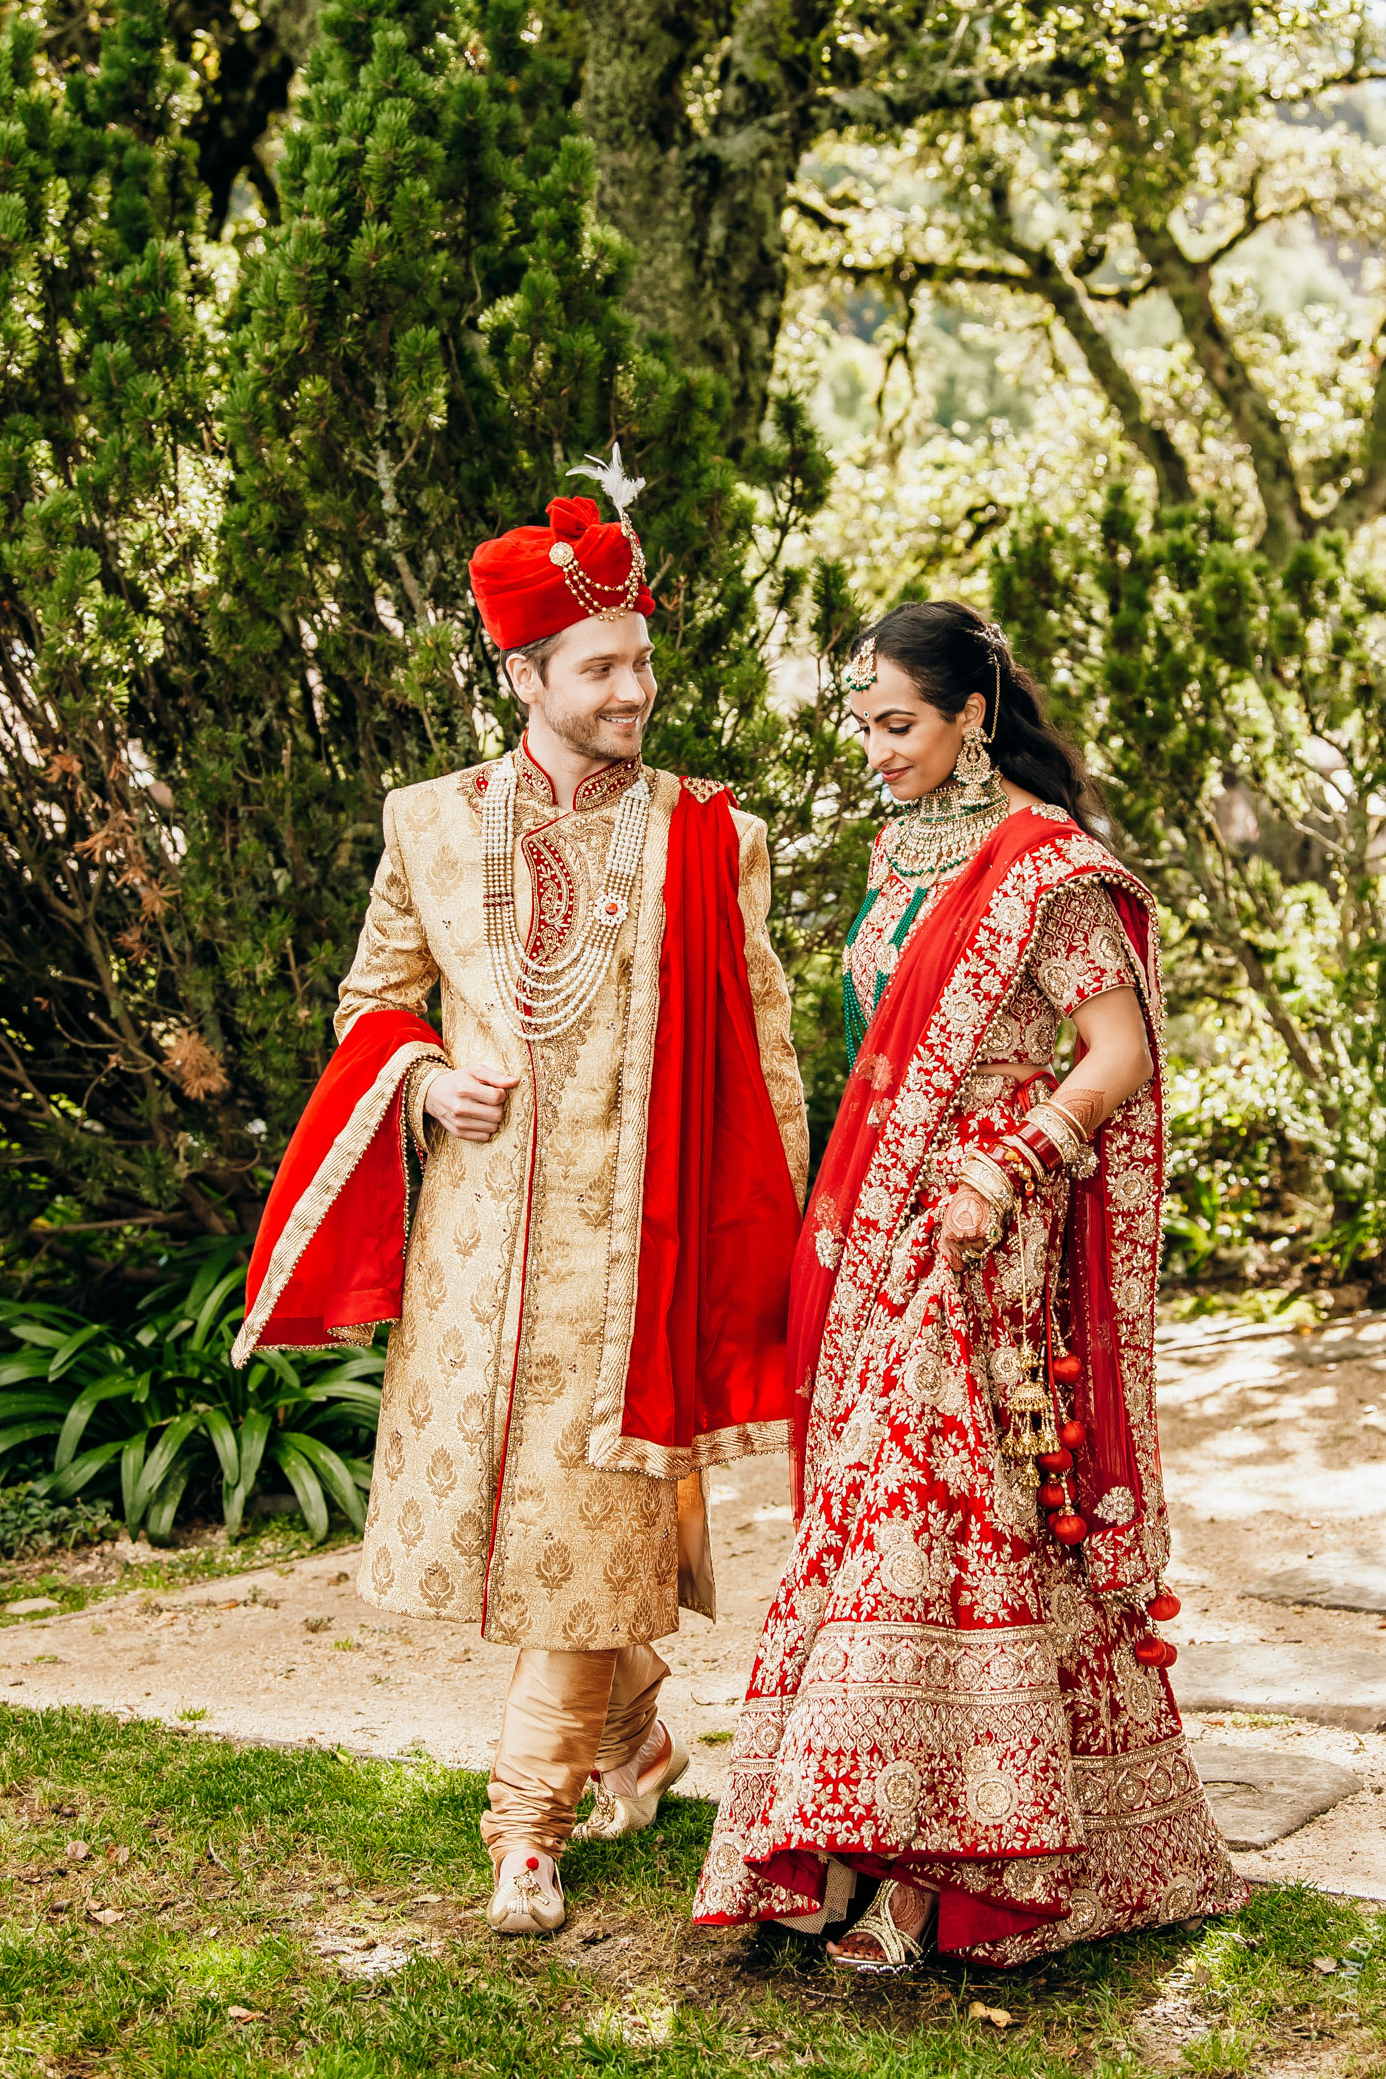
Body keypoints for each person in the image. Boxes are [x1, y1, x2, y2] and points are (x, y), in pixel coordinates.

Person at [233, 463, 809, 1937]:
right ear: (526, 671)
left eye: (645, 664)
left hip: (640, 1262)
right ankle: (641, 1743)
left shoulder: (708, 837)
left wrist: (784, 1255)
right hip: (482, 1263)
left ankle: (525, 1829)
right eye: (604, 669)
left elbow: (767, 1053)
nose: (637, 692)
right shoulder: (430, 827)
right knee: (540, 1545)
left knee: (583, 1533)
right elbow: (375, 1001)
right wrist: (425, 1082)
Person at [693, 600, 1244, 1970]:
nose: (875, 751)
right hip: (887, 1227)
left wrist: (1005, 1177)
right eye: (864, 726)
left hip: (994, 1235)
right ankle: (852, 1838)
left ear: (970, 718)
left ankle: (935, 1869)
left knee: (949, 1520)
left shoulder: (1051, 871)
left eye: (898, 726)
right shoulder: (898, 854)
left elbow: (1113, 1055)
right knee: (880, 1519)